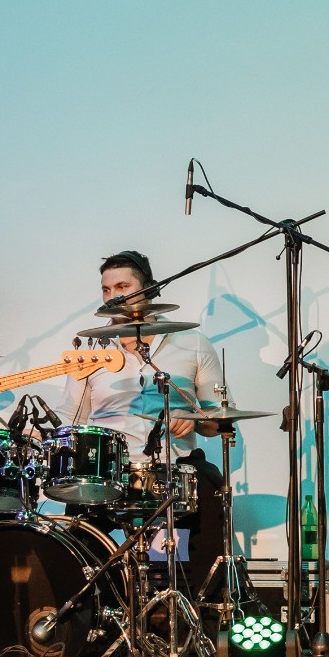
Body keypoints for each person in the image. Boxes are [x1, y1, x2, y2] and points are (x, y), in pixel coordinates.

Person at [62, 251, 229, 601]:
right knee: (75, 526)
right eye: (106, 289)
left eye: (122, 287)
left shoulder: (193, 343)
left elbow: (221, 419)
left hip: (175, 467)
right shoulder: (90, 350)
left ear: (150, 289)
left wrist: (195, 418)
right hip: (109, 470)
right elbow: (72, 417)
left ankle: (209, 610)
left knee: (212, 489)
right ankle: (92, 615)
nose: (113, 297)